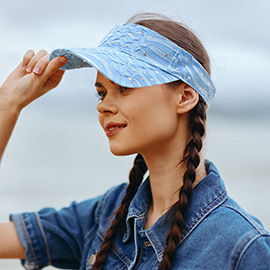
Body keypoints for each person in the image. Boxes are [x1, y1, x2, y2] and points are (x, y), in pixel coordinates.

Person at [0, 12, 269, 270]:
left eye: (124, 86)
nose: (103, 106)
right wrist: (8, 104)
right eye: (101, 93)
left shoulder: (242, 247)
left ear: (185, 97)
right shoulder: (106, 214)